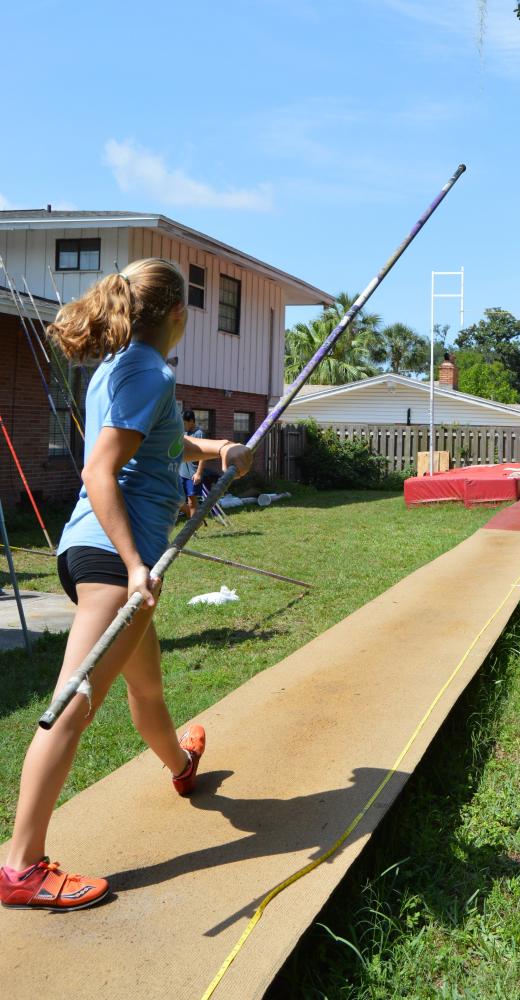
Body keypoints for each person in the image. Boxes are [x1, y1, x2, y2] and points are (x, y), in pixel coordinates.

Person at [0, 258, 253, 911]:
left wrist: (217, 450)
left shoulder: (122, 368)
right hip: (115, 560)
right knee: (73, 704)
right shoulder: (149, 370)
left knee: (146, 687)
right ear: (177, 315)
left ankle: (180, 765)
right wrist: (137, 565)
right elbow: (99, 473)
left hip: (94, 553)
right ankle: (22, 868)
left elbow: (157, 443)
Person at [179, 409, 206, 519]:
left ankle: (193, 529)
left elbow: (204, 455)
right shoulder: (183, 433)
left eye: (184, 423)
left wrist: (198, 473)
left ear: (191, 421)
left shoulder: (199, 434)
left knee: (192, 502)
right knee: (176, 498)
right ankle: (195, 520)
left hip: (192, 474)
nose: (183, 426)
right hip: (180, 472)